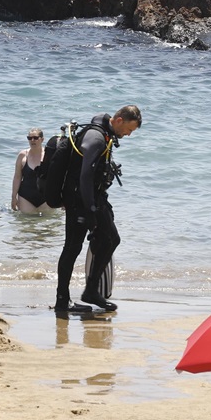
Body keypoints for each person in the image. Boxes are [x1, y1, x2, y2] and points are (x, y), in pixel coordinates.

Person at [55, 105, 142, 316]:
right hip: (80, 201)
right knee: (72, 249)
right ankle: (62, 301)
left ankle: (91, 291)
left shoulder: (106, 134)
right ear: (119, 120)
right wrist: (90, 210)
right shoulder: (96, 138)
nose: (128, 135)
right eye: (129, 129)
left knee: (111, 239)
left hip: (94, 198)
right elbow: (85, 176)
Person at [11, 127, 50, 213]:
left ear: (42, 139)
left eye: (35, 138)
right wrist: (13, 197)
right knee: (25, 223)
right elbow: (17, 177)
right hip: (26, 196)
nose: (32, 140)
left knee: (48, 223)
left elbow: (57, 177)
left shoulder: (48, 155)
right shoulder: (22, 155)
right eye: (29, 138)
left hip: (46, 196)